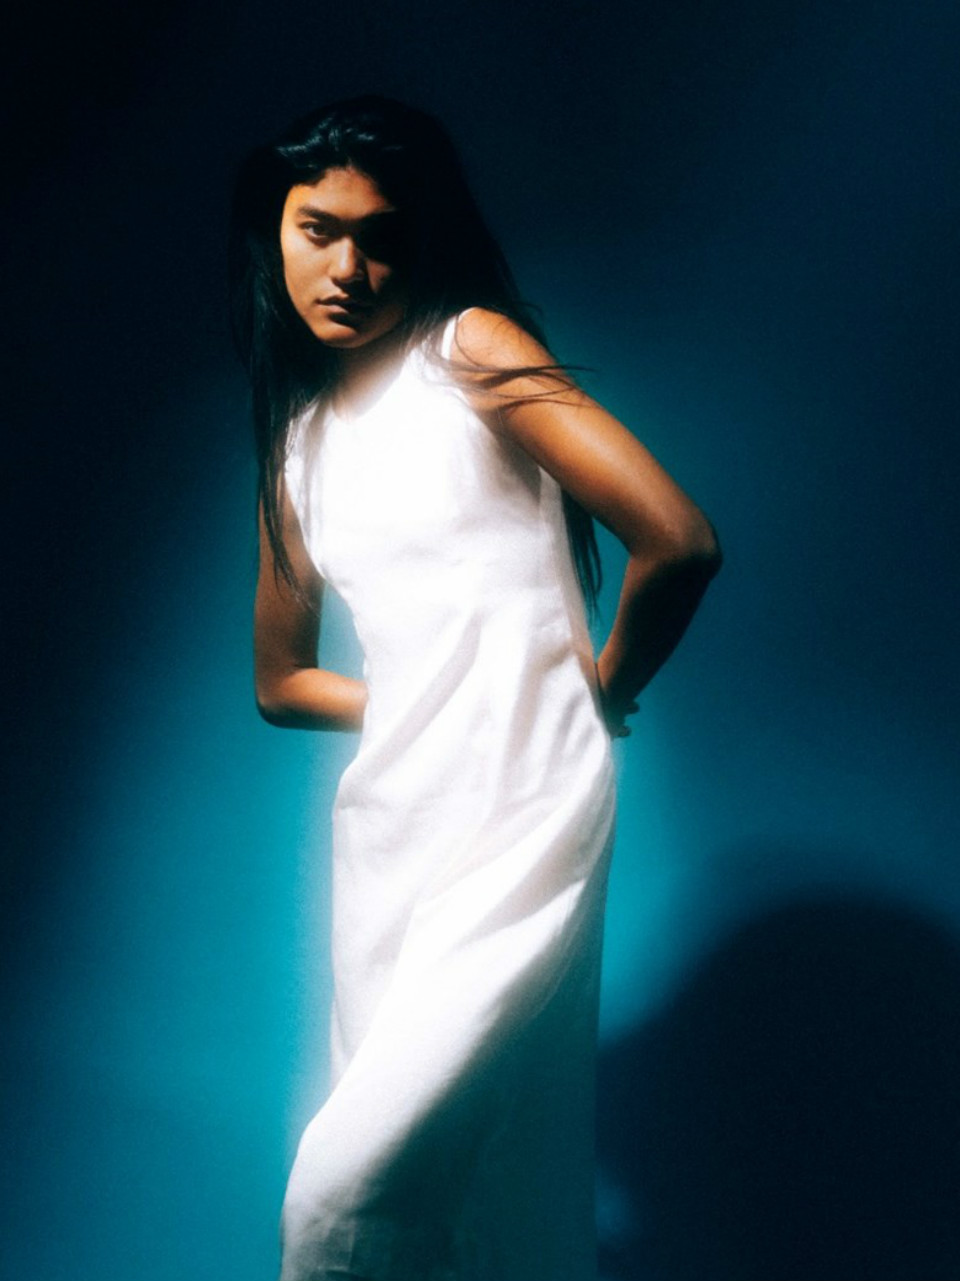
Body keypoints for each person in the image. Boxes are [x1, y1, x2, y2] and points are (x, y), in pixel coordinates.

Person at [230, 94, 721, 1281]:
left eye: (383, 236)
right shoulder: (298, 447)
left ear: (426, 242)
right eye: (318, 229)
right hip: (389, 840)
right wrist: (422, 697)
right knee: (478, 1198)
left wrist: (597, 687)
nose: (349, 268)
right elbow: (281, 683)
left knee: (344, 1200)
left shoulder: (471, 351)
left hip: (522, 814)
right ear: (276, 232)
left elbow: (677, 541)